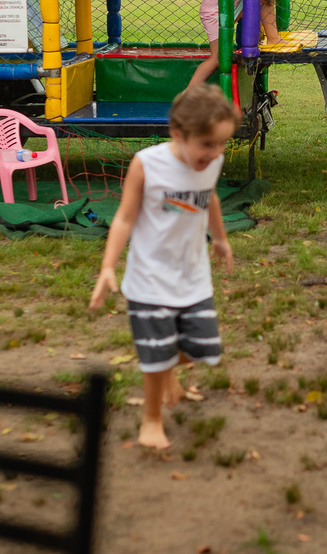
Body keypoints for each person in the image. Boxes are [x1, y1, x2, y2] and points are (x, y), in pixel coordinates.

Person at [89, 84, 241, 450]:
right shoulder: (148, 163)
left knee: (206, 348)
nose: (216, 153)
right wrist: (108, 266)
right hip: (149, 279)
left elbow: (210, 197)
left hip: (193, 277)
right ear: (178, 133)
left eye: (222, 144)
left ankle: (169, 366)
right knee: (155, 357)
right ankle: (152, 419)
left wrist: (220, 238)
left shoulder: (212, 161)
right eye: (207, 144)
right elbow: (125, 218)